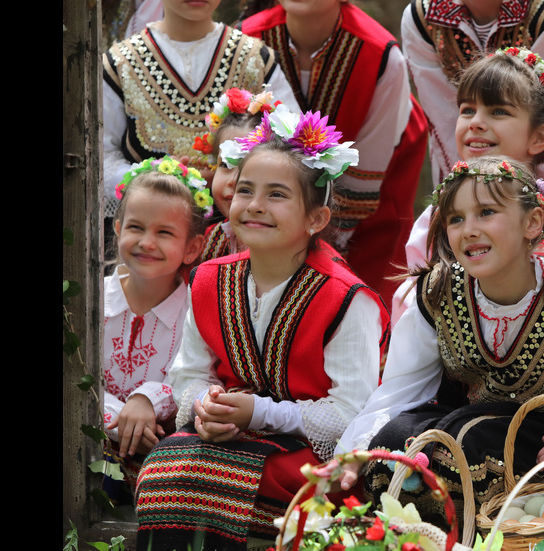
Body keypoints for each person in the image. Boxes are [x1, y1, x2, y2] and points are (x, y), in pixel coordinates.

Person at [134, 108, 388, 550]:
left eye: (276, 195)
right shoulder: (209, 280)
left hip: (313, 457)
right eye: (245, 190)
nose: (253, 205)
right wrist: (205, 407)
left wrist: (260, 414)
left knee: (204, 480)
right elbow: (188, 373)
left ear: (317, 219)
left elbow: (350, 415)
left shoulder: (346, 298)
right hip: (228, 440)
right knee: (162, 471)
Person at [336, 156, 544, 523]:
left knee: (469, 447)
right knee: (395, 441)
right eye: (456, 219)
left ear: (532, 222)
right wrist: (354, 451)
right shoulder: (440, 292)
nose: (469, 230)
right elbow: (400, 389)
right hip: (469, 425)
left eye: (486, 212)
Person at [397, 48, 544, 321]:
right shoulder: (438, 217)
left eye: (498, 111)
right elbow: (413, 308)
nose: (475, 123)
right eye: (467, 110)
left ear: (538, 137)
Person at [241, 0, 428, 302]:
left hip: (361, 215)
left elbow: (362, 184)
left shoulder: (381, 57)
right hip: (263, 209)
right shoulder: (244, 41)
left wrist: (312, 254)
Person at [101, 0, 299, 219]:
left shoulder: (255, 59)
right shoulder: (120, 64)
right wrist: (157, 178)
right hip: (153, 229)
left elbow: (294, 142)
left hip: (245, 228)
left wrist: (237, 175)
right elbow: (101, 158)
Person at [402, 0, 544, 188]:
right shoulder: (421, 19)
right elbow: (444, 126)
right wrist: (458, 203)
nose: (475, 122)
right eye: (469, 111)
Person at [102, 157, 209, 492]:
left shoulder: (197, 310)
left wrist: (147, 399)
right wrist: (119, 418)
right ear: (117, 228)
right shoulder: (91, 299)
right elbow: (74, 375)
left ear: (192, 248)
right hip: (87, 437)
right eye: (136, 227)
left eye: (164, 232)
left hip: (159, 451)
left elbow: (198, 377)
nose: (147, 242)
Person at [192, 87, 283, 261]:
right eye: (225, 164)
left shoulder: (289, 248)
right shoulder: (208, 242)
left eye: (250, 167)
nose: (235, 180)